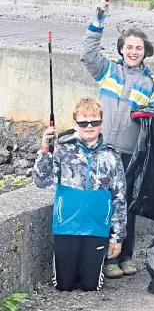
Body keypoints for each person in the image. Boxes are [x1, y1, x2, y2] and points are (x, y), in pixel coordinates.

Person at [80, 2, 154, 278]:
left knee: (125, 203)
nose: (133, 52)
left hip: (129, 153)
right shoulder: (107, 71)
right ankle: (101, 256)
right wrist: (98, 20)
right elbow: (88, 53)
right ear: (121, 49)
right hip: (101, 148)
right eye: (129, 47)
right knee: (100, 202)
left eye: (138, 48)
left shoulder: (151, 84)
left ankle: (124, 256)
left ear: (145, 52)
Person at [33, 97, 127, 292]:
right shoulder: (61, 149)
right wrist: (46, 149)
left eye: (95, 122)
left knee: (90, 286)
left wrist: (117, 238)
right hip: (66, 227)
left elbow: (119, 197)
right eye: (83, 122)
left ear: (102, 123)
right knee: (64, 285)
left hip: (97, 229)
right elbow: (41, 181)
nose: (89, 126)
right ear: (75, 124)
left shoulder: (112, 155)